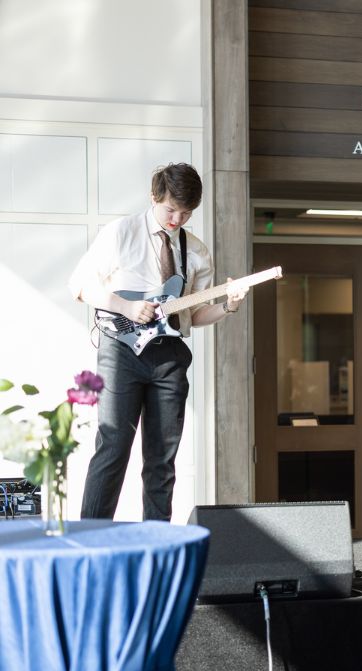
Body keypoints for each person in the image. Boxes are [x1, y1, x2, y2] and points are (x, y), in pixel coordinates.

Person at [68, 163, 247, 521]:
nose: (177, 220)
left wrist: (228, 306)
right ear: (154, 197)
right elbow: (80, 286)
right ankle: (89, 538)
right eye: (171, 210)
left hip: (169, 358)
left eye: (186, 213)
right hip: (121, 351)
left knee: (162, 460)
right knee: (113, 446)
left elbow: (193, 315)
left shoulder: (196, 251)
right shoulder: (121, 232)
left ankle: (157, 540)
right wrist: (127, 307)